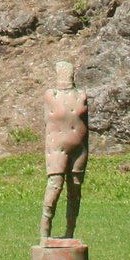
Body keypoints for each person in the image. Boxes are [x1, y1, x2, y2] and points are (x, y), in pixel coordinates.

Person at [40, 60, 89, 241]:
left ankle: (70, 233)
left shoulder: (82, 95)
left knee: (74, 191)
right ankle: (45, 235)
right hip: (57, 148)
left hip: (79, 149)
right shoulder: (50, 95)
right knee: (55, 186)